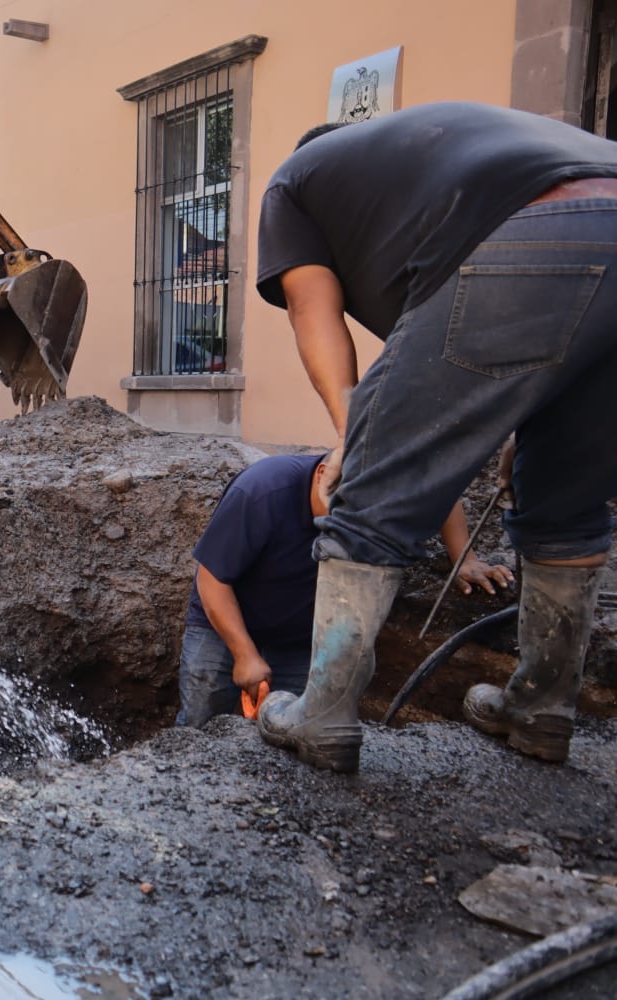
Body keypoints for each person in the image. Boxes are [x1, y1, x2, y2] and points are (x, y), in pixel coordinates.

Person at [253, 102, 617, 771]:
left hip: (526, 231)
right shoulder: (430, 160)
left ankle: (324, 717)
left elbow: (312, 311)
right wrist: (530, 410)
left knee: (372, 496)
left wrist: (354, 440)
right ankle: (542, 710)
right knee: (566, 503)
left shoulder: (294, 182)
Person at [177, 452, 511, 729]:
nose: (349, 526)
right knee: (199, 724)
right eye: (344, 511)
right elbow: (212, 580)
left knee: (293, 730)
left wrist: (464, 558)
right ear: (324, 475)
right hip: (224, 624)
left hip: (300, 637)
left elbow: (440, 493)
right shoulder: (262, 492)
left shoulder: (376, 492)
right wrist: (245, 655)